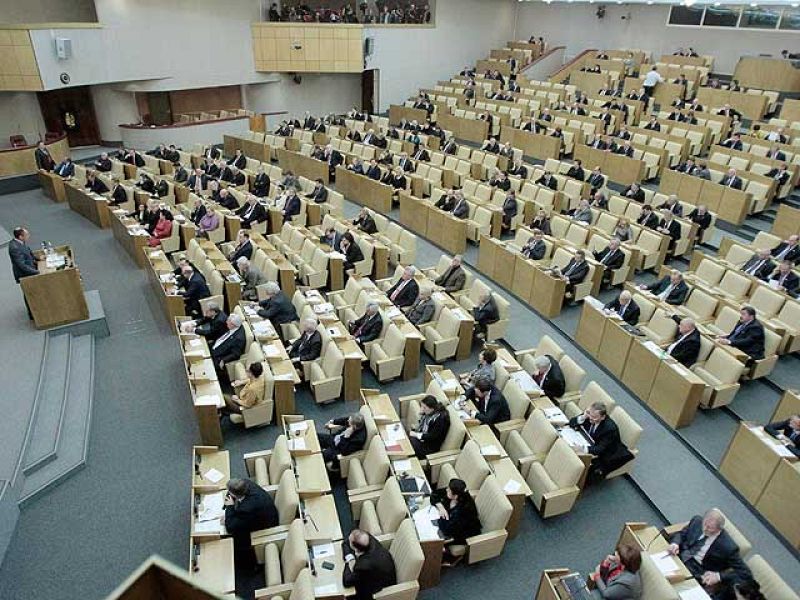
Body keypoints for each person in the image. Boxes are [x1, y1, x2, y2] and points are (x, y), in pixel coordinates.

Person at [667, 509, 751, 599]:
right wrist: (675, 543)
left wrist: (718, 576)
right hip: (679, 555)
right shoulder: (697, 521)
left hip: (698, 572)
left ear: (719, 530)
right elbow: (682, 534)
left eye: (710, 528)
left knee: (671, 592)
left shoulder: (729, 547)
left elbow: (744, 572)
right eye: (705, 524)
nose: (705, 529)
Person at [569, 401, 632, 481]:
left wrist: (582, 448)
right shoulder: (590, 414)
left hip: (605, 455)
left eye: (594, 417)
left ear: (603, 417)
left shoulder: (610, 429)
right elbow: (571, 423)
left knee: (583, 476)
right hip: (589, 442)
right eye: (589, 414)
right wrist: (583, 417)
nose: (591, 419)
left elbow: (600, 449)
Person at [223, 478, 278, 568]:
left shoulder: (247, 508)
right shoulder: (245, 483)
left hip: (266, 524)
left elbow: (230, 527)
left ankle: (248, 565)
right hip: (264, 512)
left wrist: (230, 508)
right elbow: (231, 492)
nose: (228, 493)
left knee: (237, 535)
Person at [432, 478, 481, 565]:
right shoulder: (455, 491)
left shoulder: (464, 510)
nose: (446, 490)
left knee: (433, 541)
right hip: (452, 524)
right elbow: (434, 494)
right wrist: (441, 508)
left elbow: (447, 530)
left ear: (456, 496)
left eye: (449, 490)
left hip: (464, 533)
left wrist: (442, 516)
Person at [342, 529, 397, 600]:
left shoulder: (363, 566)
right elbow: (345, 543)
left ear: (356, 549)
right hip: (376, 573)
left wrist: (348, 562)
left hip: (379, 589)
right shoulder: (367, 539)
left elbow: (347, 581)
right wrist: (349, 556)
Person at [8, 227, 39, 318]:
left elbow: (28, 253)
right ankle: (32, 314)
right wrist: (37, 272)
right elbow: (21, 265)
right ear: (21, 237)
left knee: (32, 291)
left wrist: (38, 259)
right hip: (24, 274)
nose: (29, 236)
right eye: (27, 235)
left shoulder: (20, 242)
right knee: (28, 293)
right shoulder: (14, 248)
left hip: (29, 270)